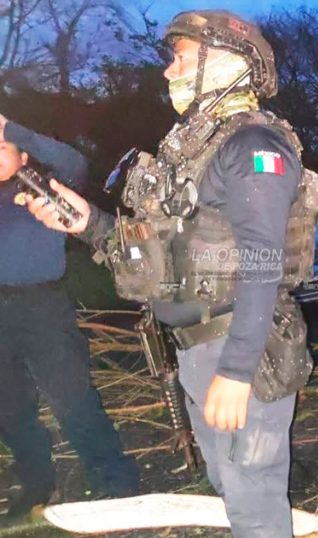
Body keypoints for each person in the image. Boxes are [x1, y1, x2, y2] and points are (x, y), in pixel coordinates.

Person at [26, 10, 318, 537]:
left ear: (225, 63)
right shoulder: (196, 149)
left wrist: (236, 370)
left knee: (255, 500)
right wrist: (86, 221)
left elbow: (262, 262)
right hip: (194, 348)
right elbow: (161, 247)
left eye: (180, 57)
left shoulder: (254, 146)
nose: (168, 71)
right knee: (229, 483)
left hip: (242, 350)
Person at [0, 113, 139, 521]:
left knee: (72, 397)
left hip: (42, 306)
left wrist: (8, 127)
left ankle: (115, 481)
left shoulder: (44, 189)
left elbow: (74, 162)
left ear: (24, 156)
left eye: (1, 150)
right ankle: (36, 484)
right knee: (9, 405)